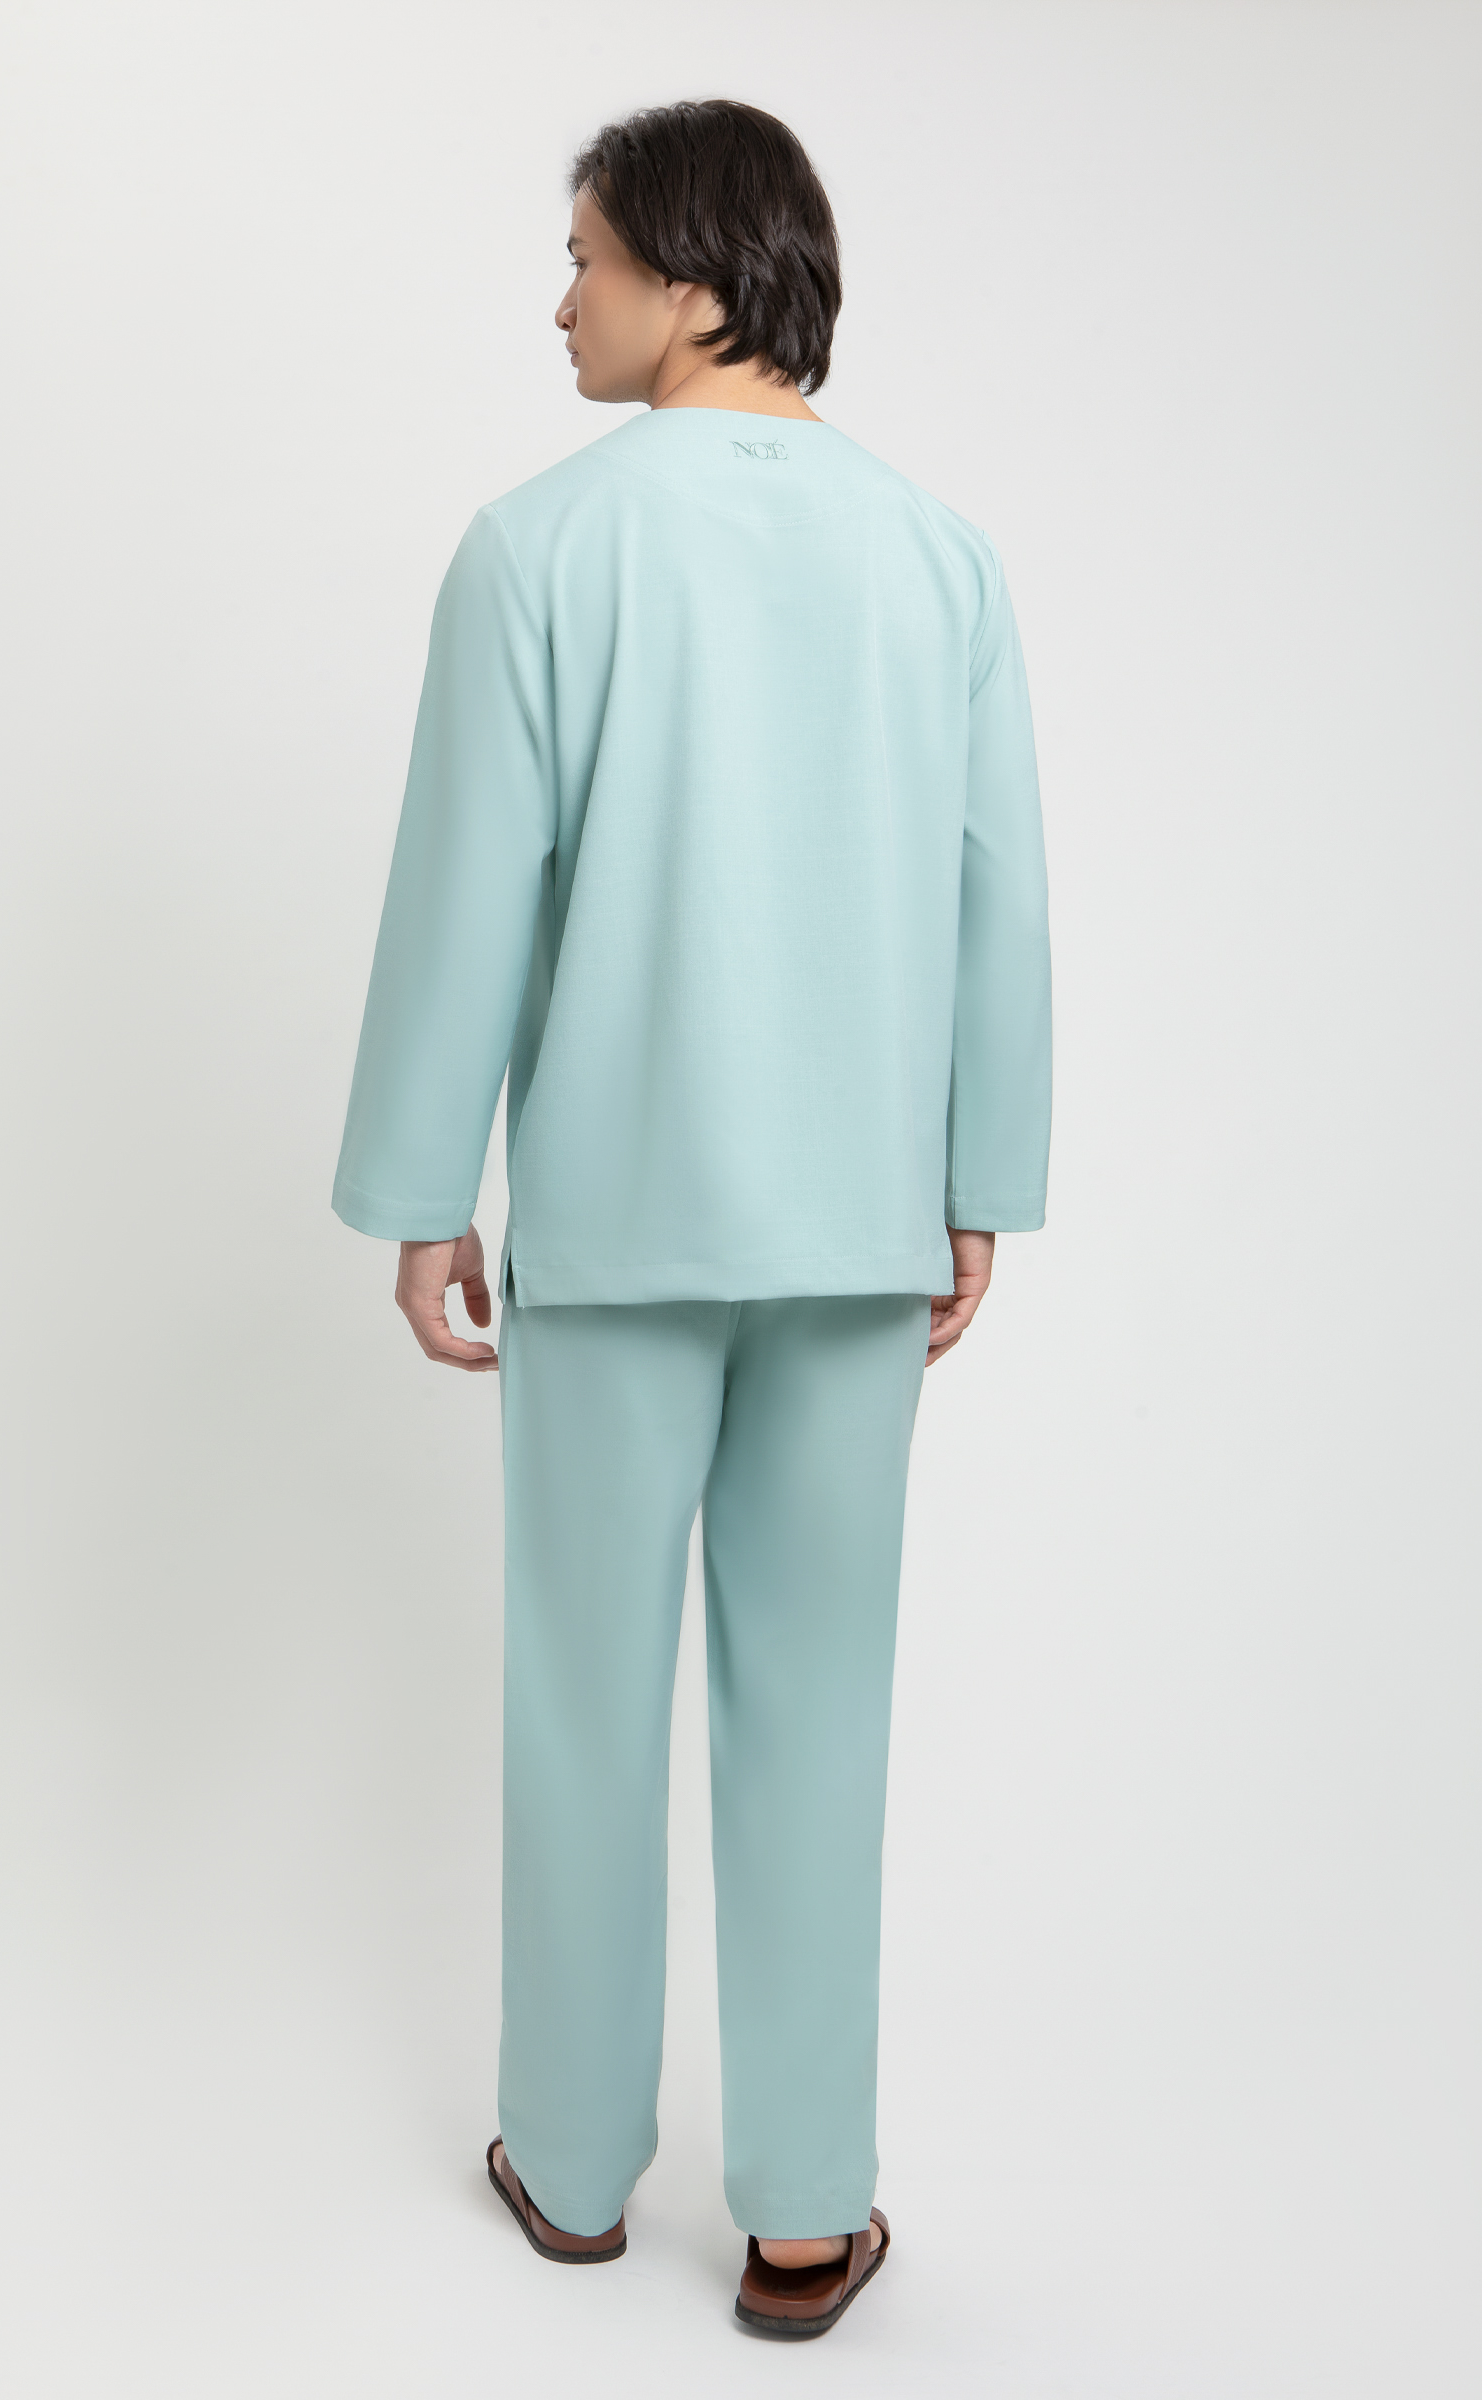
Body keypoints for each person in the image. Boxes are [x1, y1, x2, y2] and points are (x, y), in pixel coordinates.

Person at [331, 97, 1051, 2339]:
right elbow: (994, 900)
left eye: (585, 256)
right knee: (820, 1712)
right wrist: (978, 1185)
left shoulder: (536, 550)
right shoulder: (939, 559)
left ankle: (567, 2166)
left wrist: (419, 1194)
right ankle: (807, 2210)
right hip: (855, 1230)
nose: (559, 298)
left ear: (694, 273)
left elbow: (467, 890)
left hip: (620, 1224)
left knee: (582, 1701)